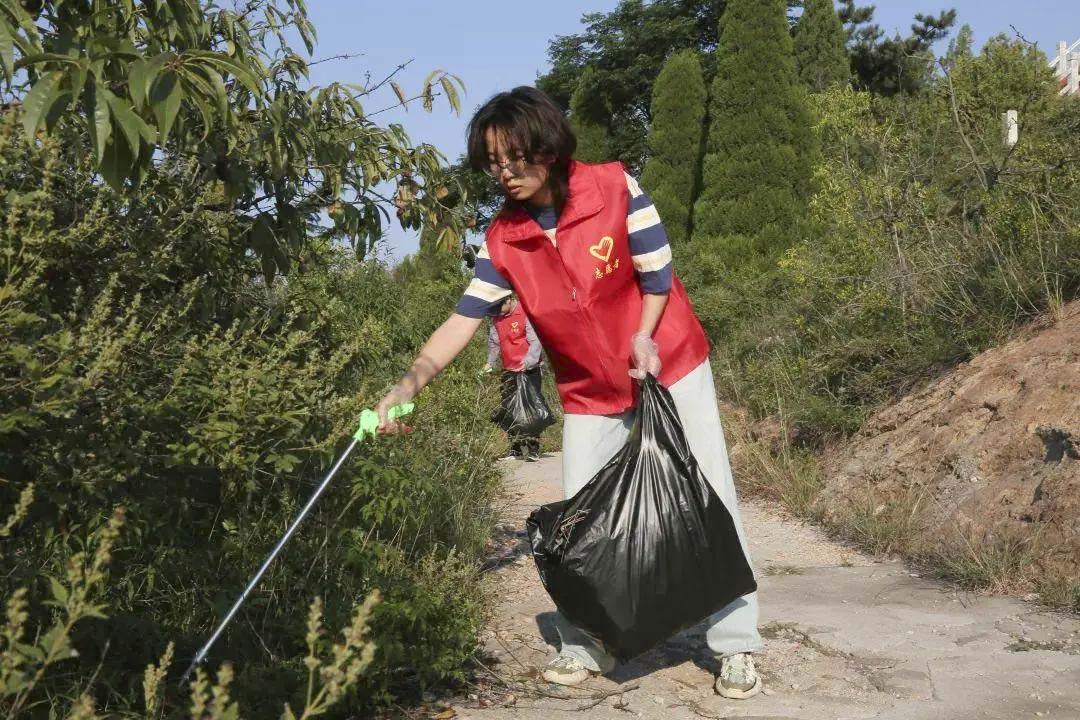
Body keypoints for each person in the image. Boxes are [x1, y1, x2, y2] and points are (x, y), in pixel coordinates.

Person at [376, 86, 762, 699]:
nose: (504, 174)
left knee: (708, 491)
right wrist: (404, 387)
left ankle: (737, 645)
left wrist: (643, 336)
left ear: (548, 150)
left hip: (669, 363)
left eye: (514, 159)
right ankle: (588, 645)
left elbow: (656, 275)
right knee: (582, 525)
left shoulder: (614, 187)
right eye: (493, 164)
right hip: (589, 389)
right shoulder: (503, 239)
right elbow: (462, 319)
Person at [484, 294, 545, 461]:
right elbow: (494, 343)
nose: (496, 311)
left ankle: (533, 449)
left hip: (529, 369)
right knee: (509, 409)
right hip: (509, 369)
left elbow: (536, 341)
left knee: (530, 408)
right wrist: (490, 363)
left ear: (508, 299)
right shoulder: (497, 318)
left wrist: (529, 361)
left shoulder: (525, 312)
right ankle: (515, 449)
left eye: (499, 307)